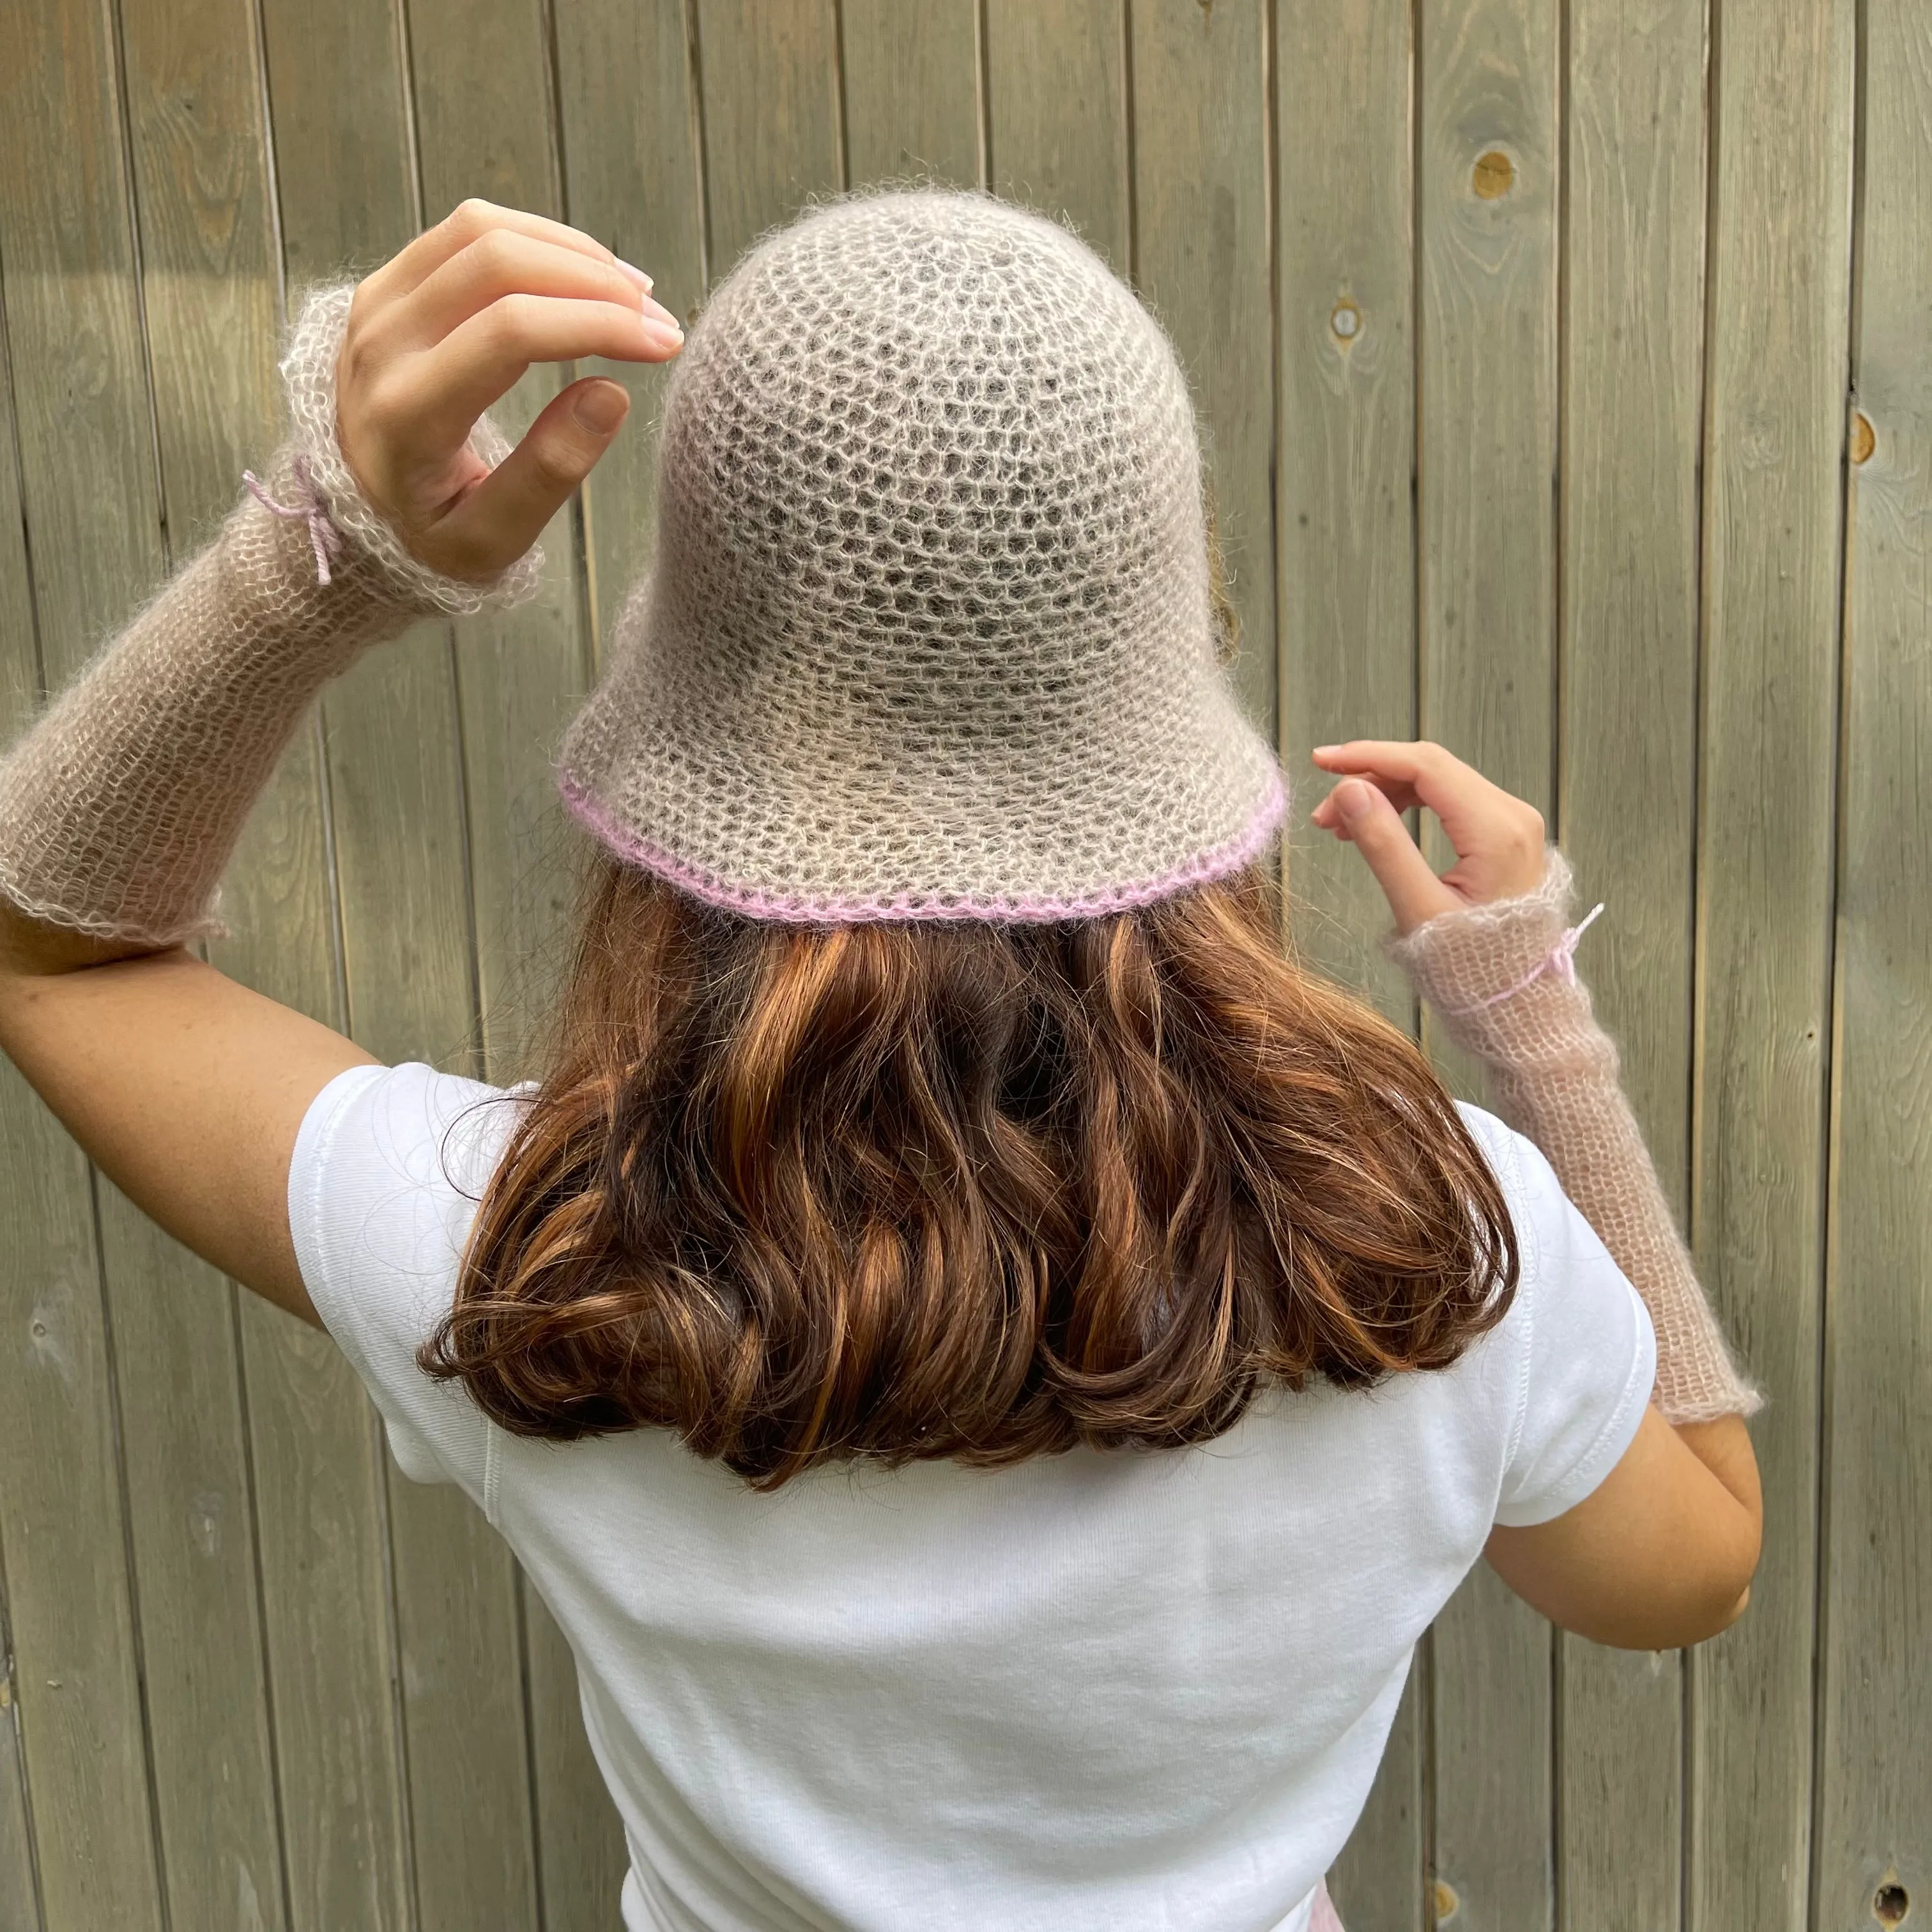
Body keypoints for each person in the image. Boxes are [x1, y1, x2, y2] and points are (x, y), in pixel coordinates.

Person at [0, 191, 1761, 1932]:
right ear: (1173, 661)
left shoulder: (528, 1260)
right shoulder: (1438, 1248)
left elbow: (58, 960)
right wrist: (1529, 1011)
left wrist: (316, 560)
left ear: (696, 719)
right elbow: (1693, 1565)